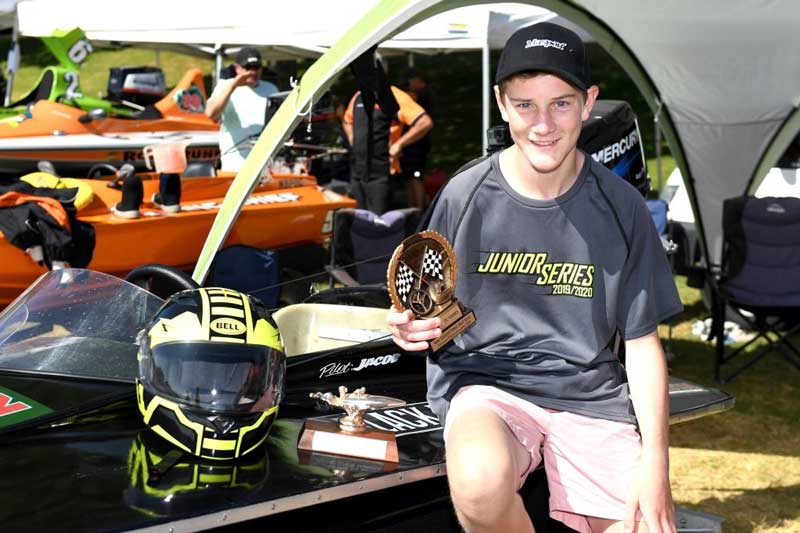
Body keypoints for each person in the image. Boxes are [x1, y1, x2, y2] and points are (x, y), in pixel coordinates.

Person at [388, 22, 680, 533]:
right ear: (502, 104)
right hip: (486, 386)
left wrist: (657, 463)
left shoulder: (622, 207)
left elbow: (641, 343)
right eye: (525, 105)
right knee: (479, 479)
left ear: (589, 103)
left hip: (589, 395)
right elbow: (427, 304)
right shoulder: (465, 195)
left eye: (561, 104)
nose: (542, 124)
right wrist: (411, 327)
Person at [342, 53, 433, 215]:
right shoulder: (358, 96)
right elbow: (346, 120)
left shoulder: (395, 96)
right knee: (360, 223)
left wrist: (399, 144)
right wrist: (353, 139)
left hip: (384, 173)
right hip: (358, 172)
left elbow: (424, 122)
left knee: (380, 226)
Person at [205, 47, 279, 171]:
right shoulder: (225, 85)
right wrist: (234, 85)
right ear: (237, 68)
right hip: (235, 164)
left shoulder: (271, 89)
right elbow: (211, 114)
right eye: (248, 68)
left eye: (256, 67)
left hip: (266, 164)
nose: (252, 72)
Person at [400, 67, 435, 210]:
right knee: (409, 177)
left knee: (415, 176)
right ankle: (412, 206)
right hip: (411, 144)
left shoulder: (423, 95)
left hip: (419, 143)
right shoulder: (416, 95)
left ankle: (419, 208)